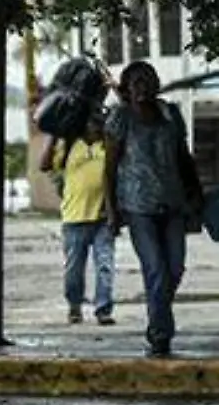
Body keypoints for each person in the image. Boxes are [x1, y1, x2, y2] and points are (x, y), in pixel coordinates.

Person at [104, 61, 205, 357]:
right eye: (135, 81)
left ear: (156, 84)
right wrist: (111, 211)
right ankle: (160, 334)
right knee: (156, 268)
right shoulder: (120, 117)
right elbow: (109, 169)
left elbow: (183, 158)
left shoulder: (170, 114)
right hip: (137, 207)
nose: (142, 86)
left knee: (174, 268)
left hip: (173, 203)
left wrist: (195, 193)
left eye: (147, 80)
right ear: (126, 88)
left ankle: (156, 317)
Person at [40, 111, 116, 325]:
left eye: (100, 123)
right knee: (74, 268)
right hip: (74, 217)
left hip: (102, 217)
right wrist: (54, 135)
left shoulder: (108, 147)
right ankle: (74, 305)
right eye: (92, 122)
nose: (96, 126)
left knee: (105, 265)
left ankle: (103, 309)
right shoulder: (71, 146)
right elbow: (44, 165)